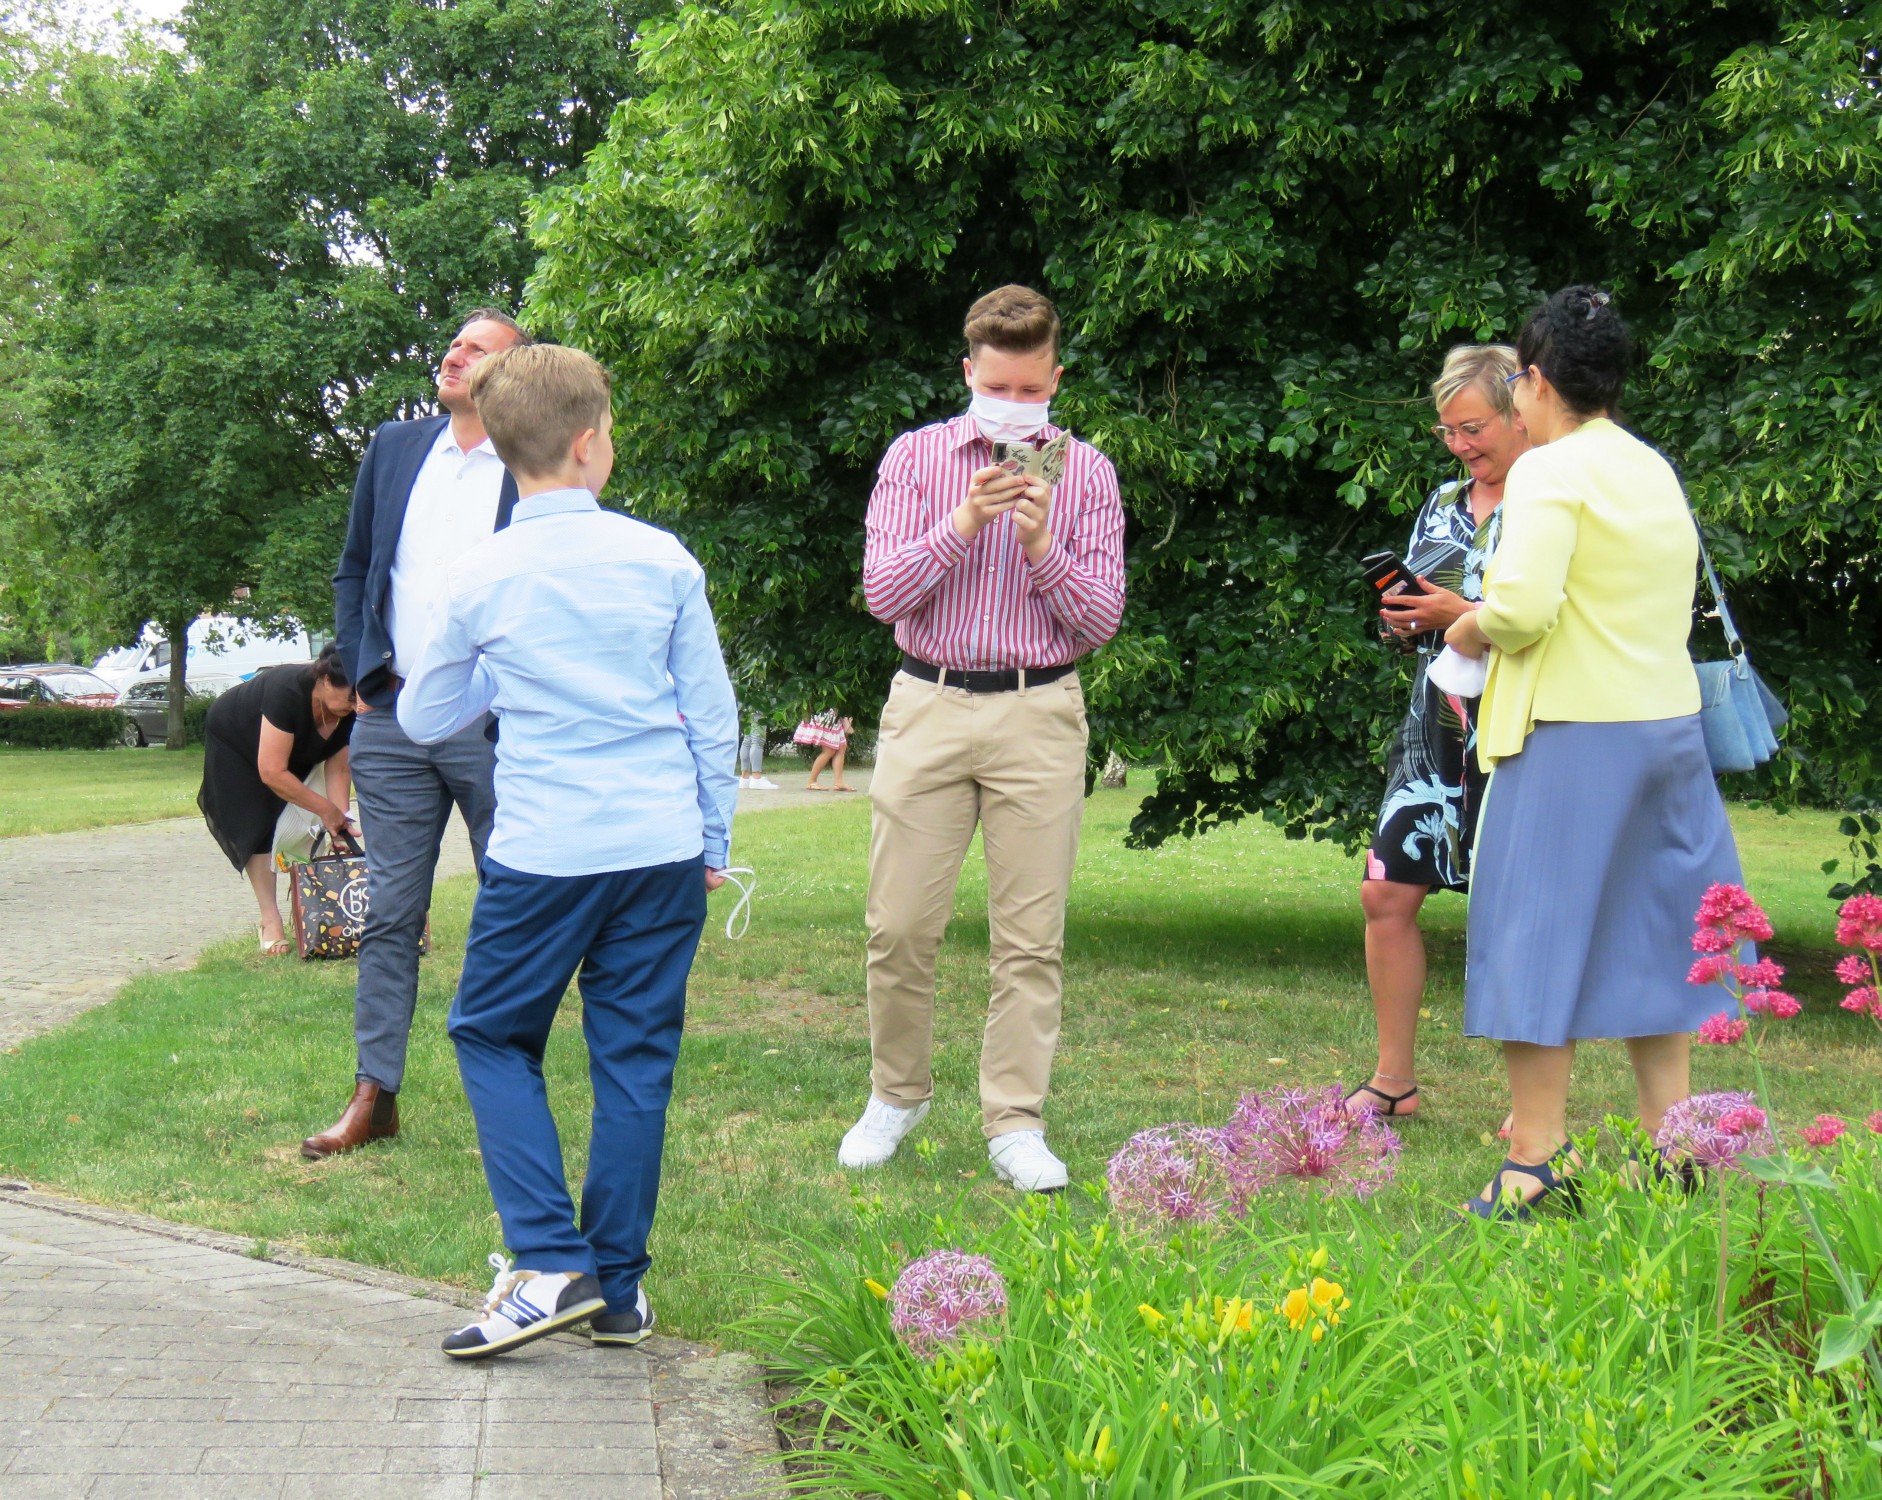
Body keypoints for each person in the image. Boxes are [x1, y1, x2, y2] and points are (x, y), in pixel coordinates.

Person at [397, 341, 738, 1358]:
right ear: (590, 446)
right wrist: (713, 834)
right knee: (634, 1059)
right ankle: (619, 1294)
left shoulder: (480, 574)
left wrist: (500, 679)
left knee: (492, 1035)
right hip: (660, 843)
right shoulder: (663, 558)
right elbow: (709, 715)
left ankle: (550, 1261)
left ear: (508, 452)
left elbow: (424, 712)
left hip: (549, 850)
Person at [1443, 285, 1745, 1219]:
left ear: (1532, 383)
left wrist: (1466, 626)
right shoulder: (1650, 465)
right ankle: (1677, 1147)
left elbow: (1525, 611)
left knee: (1531, 938)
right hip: (1665, 728)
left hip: (1573, 733)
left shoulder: (1547, 469)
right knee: (1663, 937)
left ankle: (1533, 1162)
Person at [844, 284, 1127, 1192]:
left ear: (1054, 376)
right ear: (969, 373)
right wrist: (963, 524)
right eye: (996, 386)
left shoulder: (1089, 474)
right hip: (926, 703)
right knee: (897, 926)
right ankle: (898, 1094)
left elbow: (1100, 619)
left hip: (1039, 709)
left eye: (1030, 390)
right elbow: (884, 595)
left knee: (1030, 939)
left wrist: (1043, 547)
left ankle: (1014, 1121)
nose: (1014, 406)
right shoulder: (917, 457)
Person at [312, 308, 529, 1161]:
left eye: (477, 349)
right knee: (389, 914)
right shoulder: (395, 449)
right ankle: (375, 1095)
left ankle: (507, 1089)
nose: (454, 354)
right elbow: (357, 566)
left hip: (494, 722)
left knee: (513, 900)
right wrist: (364, 674)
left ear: (512, 376)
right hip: (394, 718)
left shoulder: (533, 464)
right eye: (454, 342)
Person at [1345, 345, 1527, 1121]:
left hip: (1523, 722)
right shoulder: (1444, 501)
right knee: (1384, 893)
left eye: (1474, 426)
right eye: (1448, 431)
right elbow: (1434, 611)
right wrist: (1408, 620)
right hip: (1435, 725)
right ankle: (1395, 1081)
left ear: (1522, 411)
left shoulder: (1555, 498)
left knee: (1520, 910)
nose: (1461, 445)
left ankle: (1533, 1109)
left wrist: (1462, 617)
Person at [197, 648, 359, 954]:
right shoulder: (286, 691)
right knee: (258, 824)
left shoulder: (346, 710)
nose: (355, 704)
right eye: (350, 695)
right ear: (325, 680)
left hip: (288, 752)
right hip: (237, 741)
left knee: (305, 816)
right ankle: (270, 920)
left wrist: (341, 819)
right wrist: (325, 809)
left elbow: (338, 767)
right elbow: (271, 771)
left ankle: (304, 906)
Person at [797, 710, 855, 791]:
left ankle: (839, 782)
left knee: (841, 747)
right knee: (829, 750)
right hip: (827, 715)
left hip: (835, 716)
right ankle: (812, 781)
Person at [738, 708, 779, 790]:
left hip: (745, 702)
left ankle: (745, 778)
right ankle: (756, 778)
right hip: (757, 701)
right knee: (757, 739)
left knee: (747, 739)